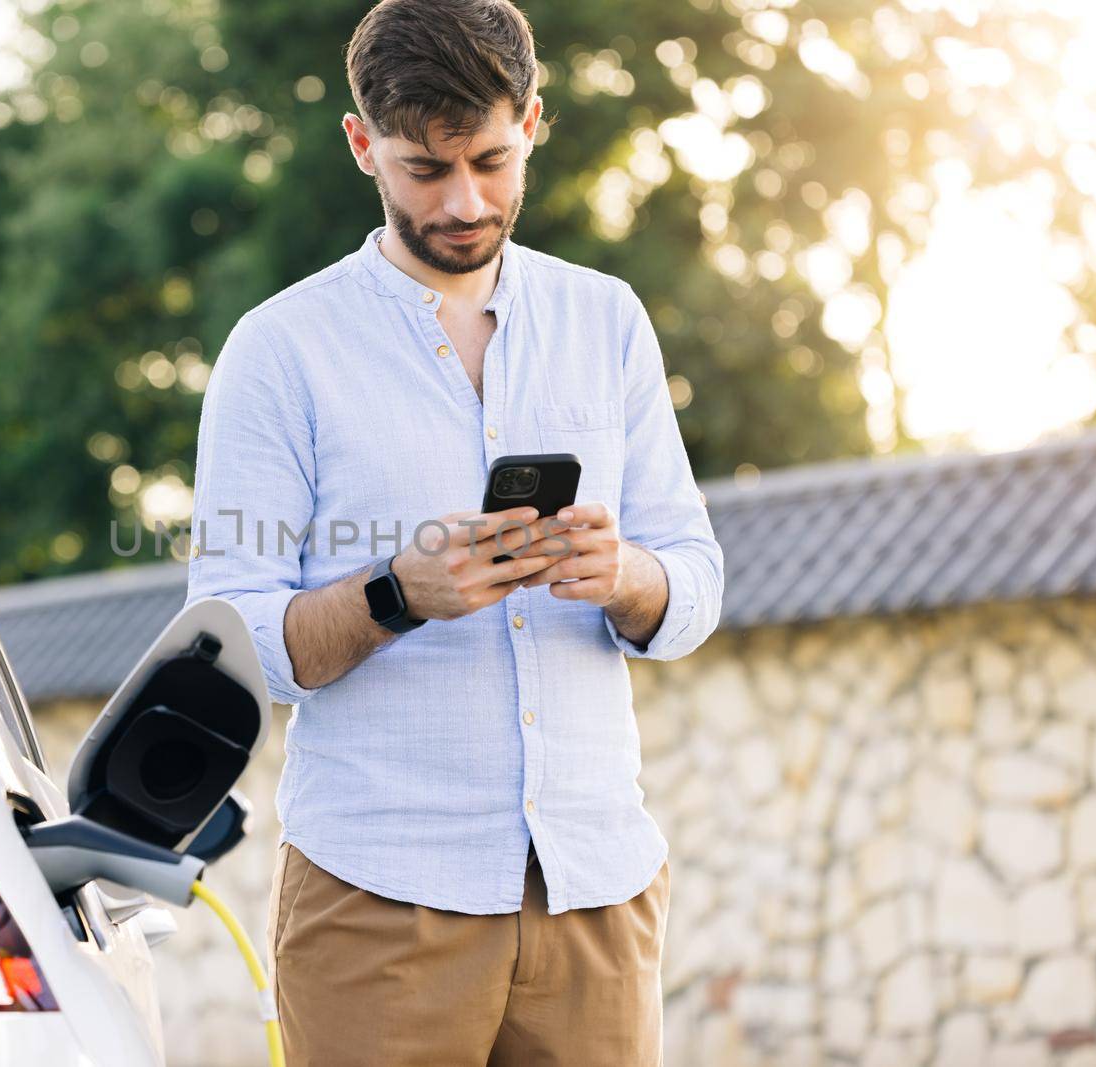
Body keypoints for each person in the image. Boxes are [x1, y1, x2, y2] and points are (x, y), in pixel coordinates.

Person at [183, 1, 724, 1061]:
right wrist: (396, 594)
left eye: (488, 157)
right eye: (424, 169)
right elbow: (229, 640)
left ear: (532, 121)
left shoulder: (606, 319)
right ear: (360, 146)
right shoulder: (279, 350)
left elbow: (694, 578)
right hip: (377, 901)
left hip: (595, 894)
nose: (465, 200)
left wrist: (623, 577)